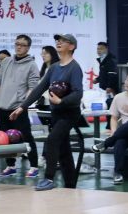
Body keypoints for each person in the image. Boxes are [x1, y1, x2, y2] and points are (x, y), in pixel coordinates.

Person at [10, 33, 83, 191]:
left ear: (71, 46)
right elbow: (39, 89)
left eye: (63, 41)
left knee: (52, 140)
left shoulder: (74, 68)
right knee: (63, 150)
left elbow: (78, 93)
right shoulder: (54, 67)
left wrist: (61, 101)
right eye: (58, 40)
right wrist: (22, 107)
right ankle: (71, 186)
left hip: (69, 113)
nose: (59, 42)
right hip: (56, 113)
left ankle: (49, 178)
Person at [92, 71, 128, 184]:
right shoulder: (118, 97)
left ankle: (106, 144)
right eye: (127, 80)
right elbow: (114, 118)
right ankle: (118, 173)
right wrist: (114, 132)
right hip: (125, 132)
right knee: (119, 141)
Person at [0, 34, 40, 178]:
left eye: (22, 45)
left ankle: (34, 166)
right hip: (2, 108)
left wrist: (23, 105)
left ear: (28, 48)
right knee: (6, 139)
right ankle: (11, 165)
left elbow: (32, 88)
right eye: (17, 44)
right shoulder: (6, 61)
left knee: (26, 137)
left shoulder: (31, 65)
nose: (19, 47)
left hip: (18, 109)